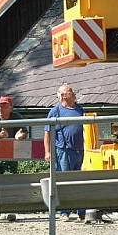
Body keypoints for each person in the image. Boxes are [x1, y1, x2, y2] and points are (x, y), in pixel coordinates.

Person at [43, 84, 85, 221]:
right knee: (64, 180)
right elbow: (47, 133)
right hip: (64, 150)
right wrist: (47, 152)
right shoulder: (55, 111)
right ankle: (64, 212)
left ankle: (81, 211)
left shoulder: (80, 109)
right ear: (63, 95)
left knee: (78, 181)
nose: (73, 93)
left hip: (79, 150)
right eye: (70, 91)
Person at [0, 95, 28, 176]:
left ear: (11, 108)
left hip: (10, 153)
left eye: (4, 107)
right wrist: (0, 135)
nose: (1, 109)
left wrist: (20, 136)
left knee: (11, 178)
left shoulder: (16, 117)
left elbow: (24, 132)